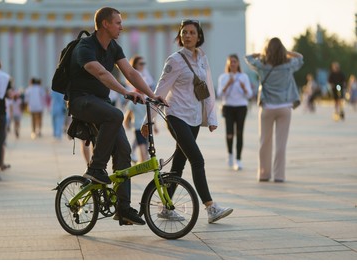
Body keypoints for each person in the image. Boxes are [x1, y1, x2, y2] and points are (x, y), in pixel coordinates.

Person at [67, 7, 166, 225]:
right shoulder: (85, 46)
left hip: (101, 103)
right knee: (115, 115)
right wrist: (126, 92)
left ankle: (123, 209)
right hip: (80, 101)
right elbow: (101, 72)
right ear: (105, 24)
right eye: (118, 22)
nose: (122, 26)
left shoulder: (113, 46)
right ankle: (95, 168)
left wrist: (152, 95)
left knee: (124, 150)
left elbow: (130, 73)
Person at [141, 19, 233, 224]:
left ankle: (166, 208)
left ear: (199, 36)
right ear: (180, 36)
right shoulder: (174, 60)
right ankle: (211, 207)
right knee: (197, 160)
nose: (188, 36)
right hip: (176, 116)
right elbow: (160, 90)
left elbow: (207, 88)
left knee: (178, 167)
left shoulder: (201, 58)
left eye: (192, 32)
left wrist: (211, 117)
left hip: (192, 118)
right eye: (184, 32)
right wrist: (149, 120)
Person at [245, 37, 303, 183]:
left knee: (264, 142)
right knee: (281, 144)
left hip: (267, 108)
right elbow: (300, 58)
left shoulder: (262, 65)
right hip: (284, 107)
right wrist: (286, 52)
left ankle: (264, 174)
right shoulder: (288, 64)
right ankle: (279, 176)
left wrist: (263, 53)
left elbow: (248, 58)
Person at [217, 54, 253, 171]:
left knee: (239, 133)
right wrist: (228, 84)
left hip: (241, 107)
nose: (233, 64)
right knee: (229, 133)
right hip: (228, 107)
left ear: (238, 64)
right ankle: (230, 154)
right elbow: (219, 95)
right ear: (228, 64)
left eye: (235, 62)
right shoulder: (223, 77)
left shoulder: (244, 77)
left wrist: (244, 88)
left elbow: (249, 95)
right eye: (231, 62)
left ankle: (238, 159)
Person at [125, 55, 156, 163]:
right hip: (139, 118)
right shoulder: (132, 75)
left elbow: (151, 112)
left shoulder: (145, 74)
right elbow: (129, 110)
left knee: (143, 142)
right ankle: (141, 158)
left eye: (144, 63)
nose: (143, 65)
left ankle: (141, 158)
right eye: (141, 63)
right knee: (142, 142)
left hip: (142, 124)